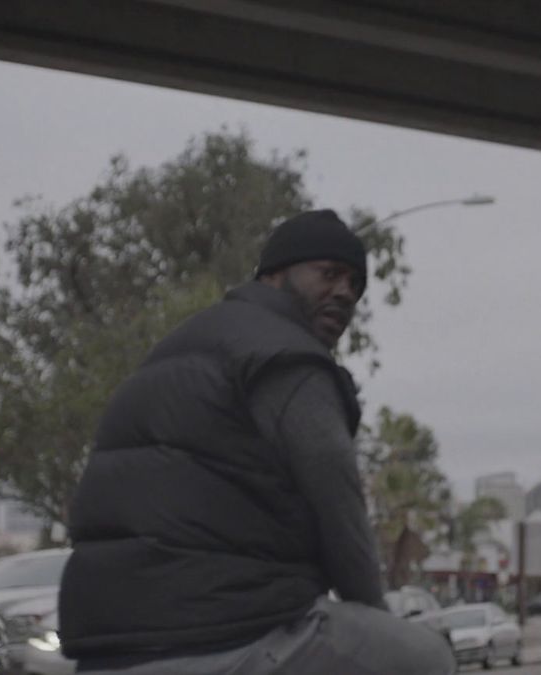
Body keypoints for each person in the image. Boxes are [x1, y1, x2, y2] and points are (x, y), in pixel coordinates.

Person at [59, 210, 454, 675]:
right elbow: (337, 502)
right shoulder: (286, 359)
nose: (345, 292)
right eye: (329, 274)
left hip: (109, 648)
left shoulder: (182, 347)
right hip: (225, 634)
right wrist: (372, 614)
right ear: (274, 275)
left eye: (355, 284)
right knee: (424, 658)